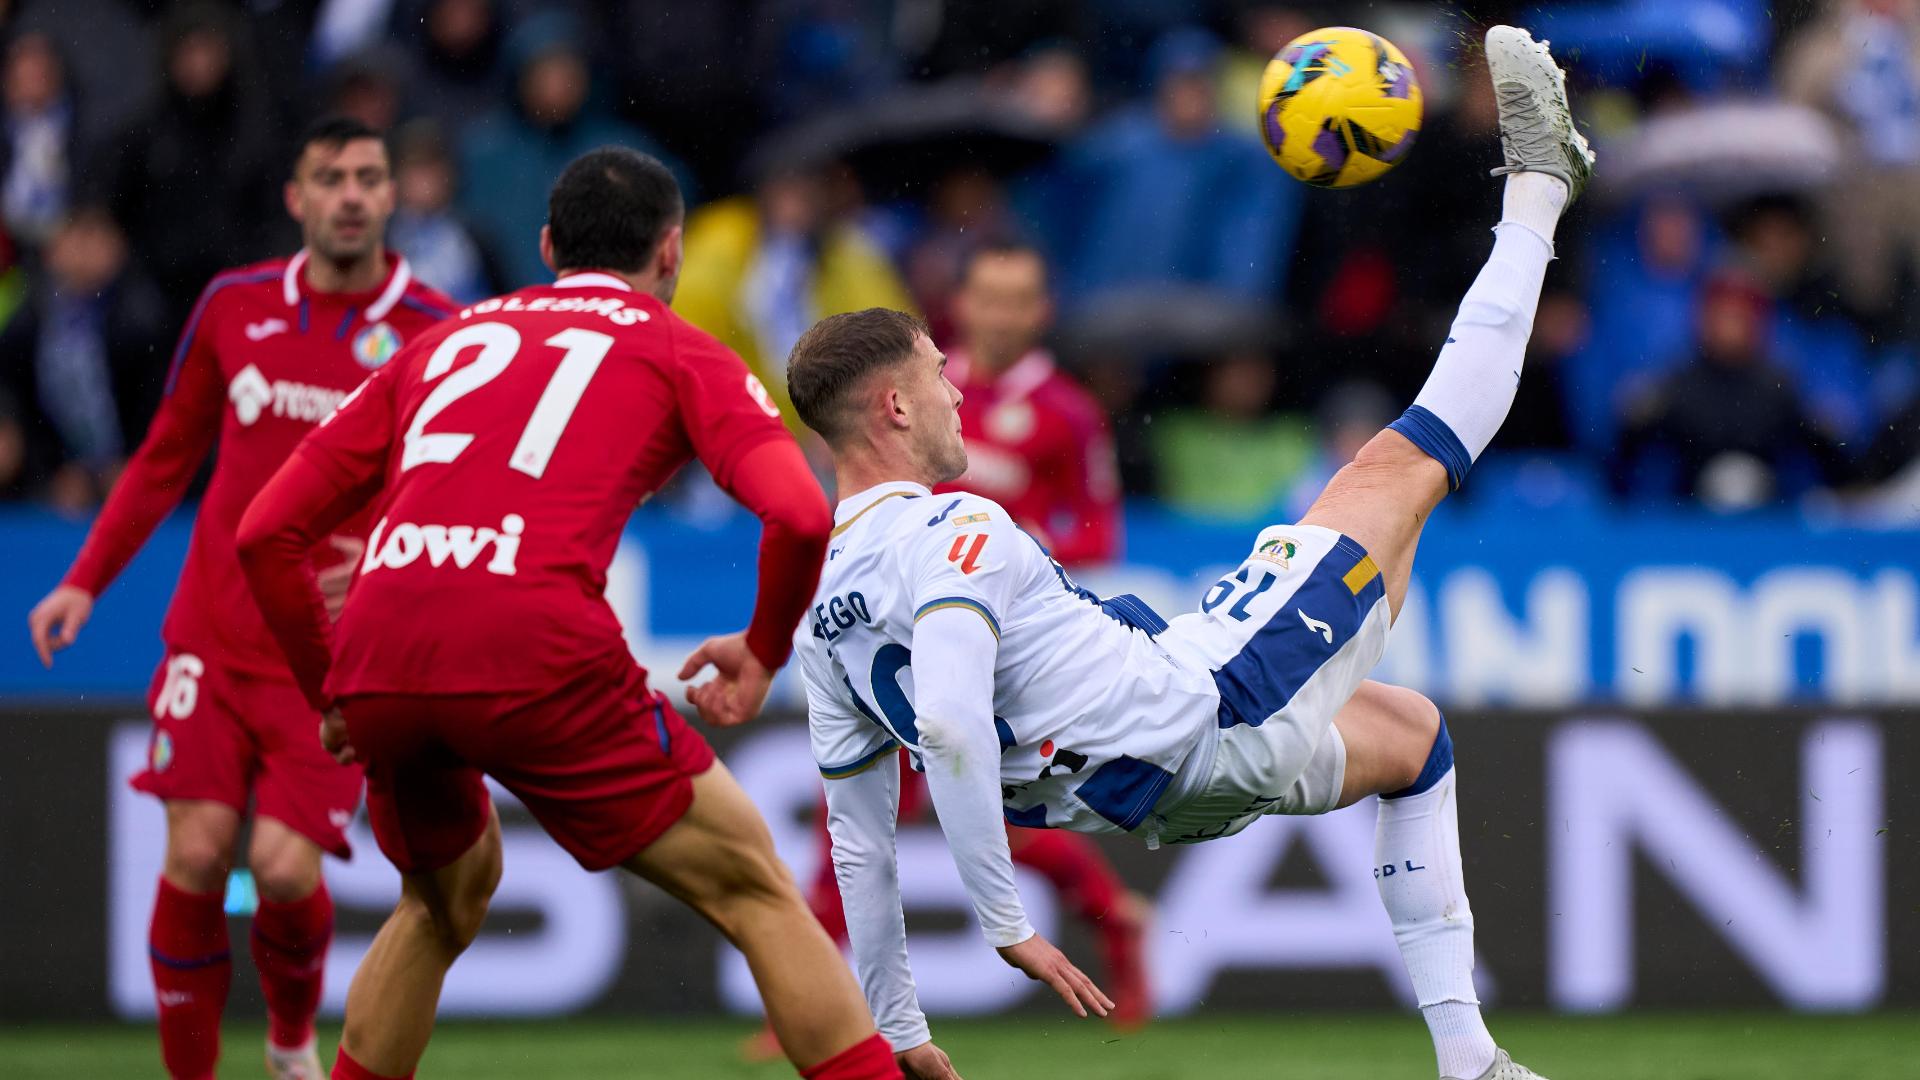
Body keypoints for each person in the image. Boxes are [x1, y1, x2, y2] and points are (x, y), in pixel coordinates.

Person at [784, 27, 1590, 1080]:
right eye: (938, 373)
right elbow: (943, 721)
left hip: (1156, 789)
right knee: (1404, 463)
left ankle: (1470, 1059)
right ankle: (1539, 189)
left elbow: (862, 845)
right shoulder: (953, 527)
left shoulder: (824, 620)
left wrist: (899, 1032)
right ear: (893, 404)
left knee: (1410, 735)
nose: (953, 389)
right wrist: (1005, 919)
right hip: (1206, 708)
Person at [233, 147, 901, 1080]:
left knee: (440, 901)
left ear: (549, 244)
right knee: (755, 891)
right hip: (531, 640)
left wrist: (332, 695)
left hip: (382, 647)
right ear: (671, 253)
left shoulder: (444, 343)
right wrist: (760, 649)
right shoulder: (673, 347)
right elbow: (797, 511)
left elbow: (265, 532)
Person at [26, 116, 456, 1080]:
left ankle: (290, 1038)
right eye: (330, 176)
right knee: (194, 852)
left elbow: (446, 486)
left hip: (327, 654)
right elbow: (165, 458)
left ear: (392, 196)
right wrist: (84, 582)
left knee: (284, 869)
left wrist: (388, 569)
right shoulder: (233, 306)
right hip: (211, 638)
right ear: (296, 197)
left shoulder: (433, 329)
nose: (351, 193)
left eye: (368, 176)